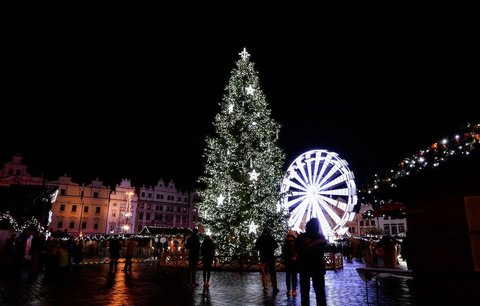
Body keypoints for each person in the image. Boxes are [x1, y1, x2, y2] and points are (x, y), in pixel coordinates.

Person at [296, 218, 327, 306]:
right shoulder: (321, 238)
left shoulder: (301, 238)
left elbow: (298, 250)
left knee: (304, 292)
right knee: (320, 292)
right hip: (318, 267)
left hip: (304, 266)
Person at [254, 227, 279, 293]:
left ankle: (265, 286)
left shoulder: (260, 238)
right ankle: (274, 287)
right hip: (270, 257)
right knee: (272, 273)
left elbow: (256, 247)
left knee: (264, 272)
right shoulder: (271, 238)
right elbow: (276, 246)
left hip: (263, 257)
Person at [282, 229, 298, 298]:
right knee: (294, 277)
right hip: (294, 262)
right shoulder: (296, 244)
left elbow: (283, 253)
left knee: (288, 277)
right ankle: (293, 290)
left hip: (288, 262)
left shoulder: (285, 244)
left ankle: (289, 290)